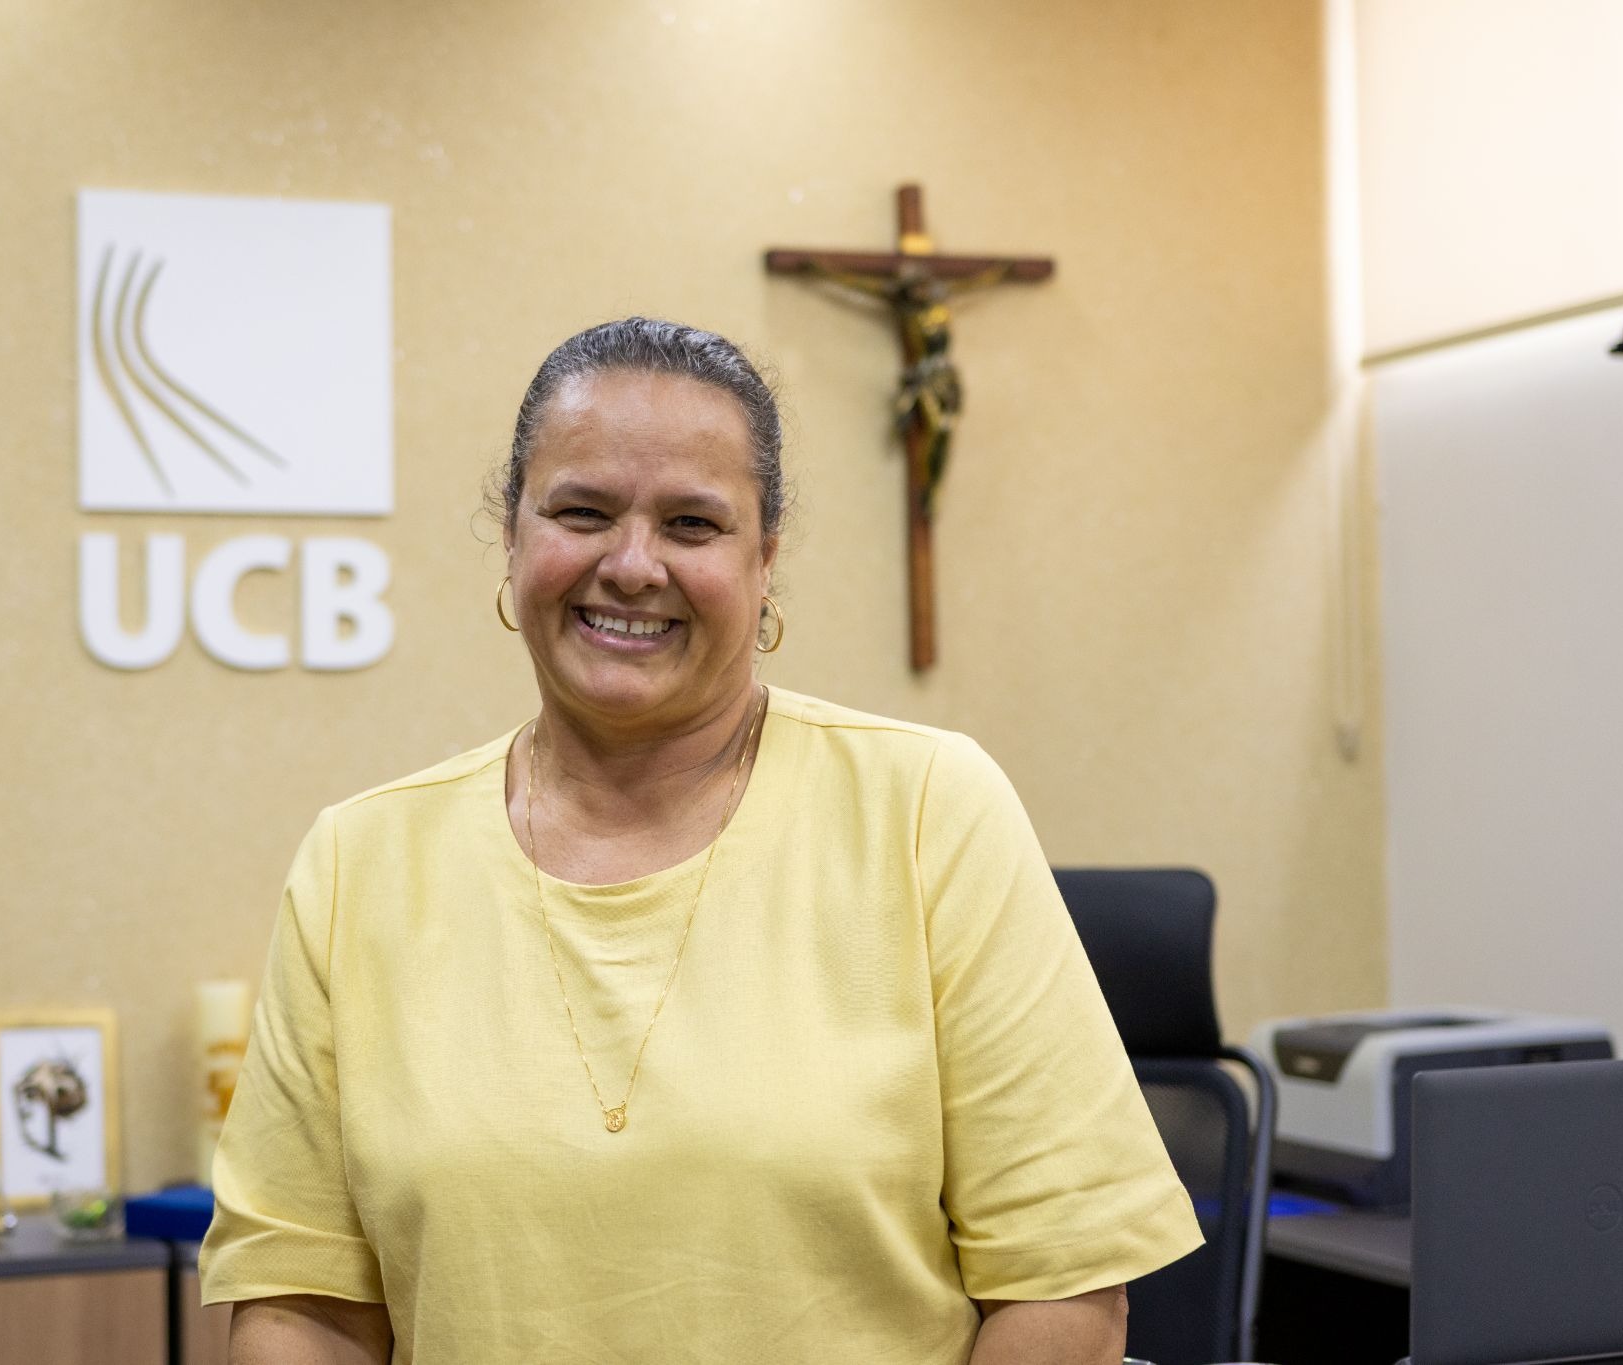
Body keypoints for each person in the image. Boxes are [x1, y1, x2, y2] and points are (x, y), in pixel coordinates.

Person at [199, 317, 1202, 1364]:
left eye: (691, 523)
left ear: (765, 559)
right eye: (582, 512)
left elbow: (1063, 1290)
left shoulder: (926, 811)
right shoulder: (358, 864)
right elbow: (299, 1306)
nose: (632, 565)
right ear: (512, 536)